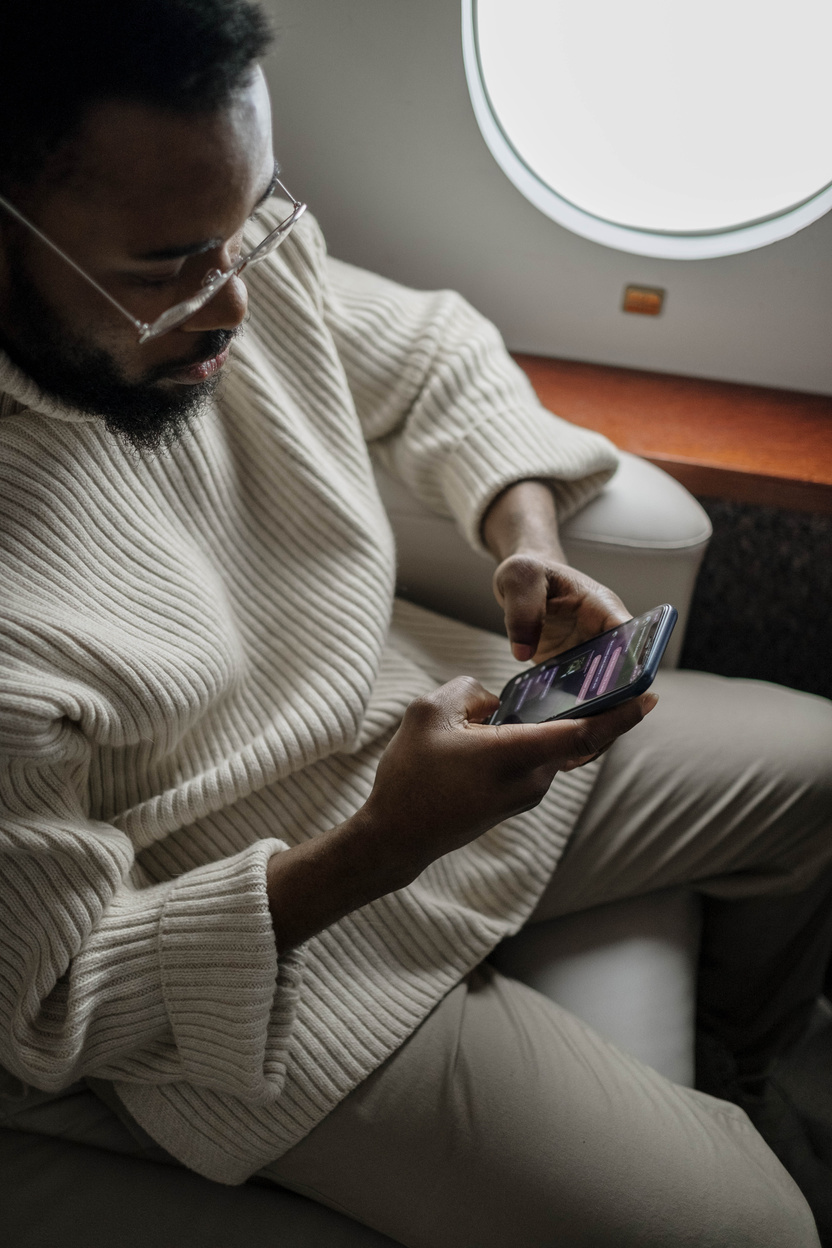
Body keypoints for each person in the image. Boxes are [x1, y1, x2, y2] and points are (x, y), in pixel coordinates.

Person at [0, 3, 830, 1245]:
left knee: (819, 767)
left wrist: (527, 546)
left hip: (406, 729)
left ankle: (734, 1067)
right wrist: (388, 841)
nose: (233, 305)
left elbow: (434, 358)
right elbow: (58, 1003)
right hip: (253, 969)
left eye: (250, 228)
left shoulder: (223, 249)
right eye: (165, 270)